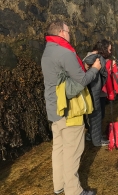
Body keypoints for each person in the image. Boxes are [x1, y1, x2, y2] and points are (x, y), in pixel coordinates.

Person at [41, 20, 99, 195]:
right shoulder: (65, 52)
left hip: (53, 108)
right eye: (68, 31)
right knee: (72, 152)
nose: (70, 34)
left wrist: (83, 67)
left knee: (58, 149)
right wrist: (95, 69)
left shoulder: (48, 50)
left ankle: (59, 186)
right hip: (69, 110)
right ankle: (74, 191)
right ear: (60, 32)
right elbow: (81, 80)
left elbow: (65, 73)